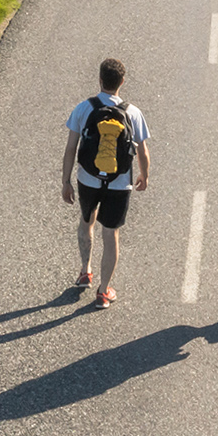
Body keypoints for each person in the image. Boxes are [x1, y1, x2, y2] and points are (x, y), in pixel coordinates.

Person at [61, 57, 150, 306]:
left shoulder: (83, 108)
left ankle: (84, 271)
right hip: (119, 183)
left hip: (87, 179)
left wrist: (66, 181)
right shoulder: (132, 112)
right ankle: (103, 291)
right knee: (110, 234)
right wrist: (144, 174)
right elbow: (142, 150)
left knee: (86, 221)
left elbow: (70, 149)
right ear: (122, 82)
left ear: (99, 80)